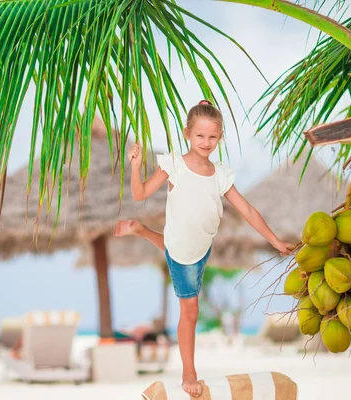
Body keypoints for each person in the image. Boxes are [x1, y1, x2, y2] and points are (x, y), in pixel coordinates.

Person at [113, 100, 293, 397]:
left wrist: (274, 240)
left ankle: (144, 231)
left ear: (219, 138)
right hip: (182, 249)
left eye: (212, 137)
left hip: (201, 246)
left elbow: (246, 210)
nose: (206, 142)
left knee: (178, 253)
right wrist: (135, 167)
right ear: (187, 134)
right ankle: (189, 372)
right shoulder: (175, 165)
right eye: (200, 136)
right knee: (191, 309)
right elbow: (140, 192)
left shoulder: (221, 173)